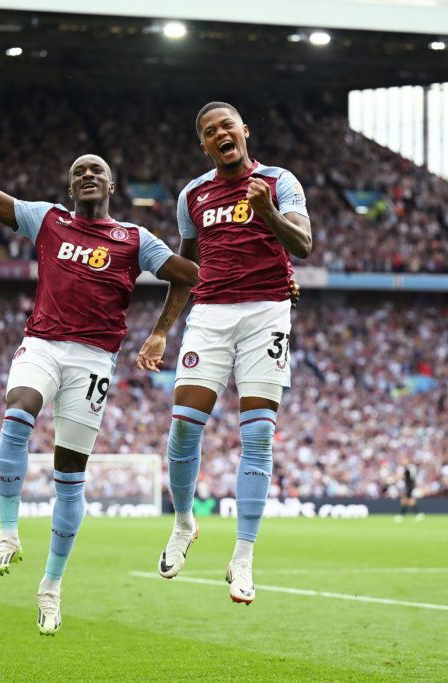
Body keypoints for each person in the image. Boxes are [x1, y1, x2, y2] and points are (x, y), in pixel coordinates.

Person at [0, 93, 199, 635]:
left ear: (111, 185)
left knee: (69, 477)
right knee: (17, 413)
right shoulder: (46, 220)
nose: (88, 175)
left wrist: (162, 331)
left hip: (94, 361)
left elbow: (188, 275)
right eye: (79, 172)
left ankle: (51, 586)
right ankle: (7, 533)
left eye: (97, 169)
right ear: (70, 187)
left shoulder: (135, 239)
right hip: (44, 345)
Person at [136, 101, 312, 605]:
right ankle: (185, 523)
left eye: (227, 126)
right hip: (210, 316)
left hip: (266, 315)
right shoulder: (192, 194)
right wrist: (162, 330)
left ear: (244, 131)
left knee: (257, 436)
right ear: (205, 144)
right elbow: (187, 269)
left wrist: (268, 213)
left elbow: (304, 244)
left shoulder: (279, 181)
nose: (221, 134)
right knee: (184, 425)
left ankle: (243, 556)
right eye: (210, 132)